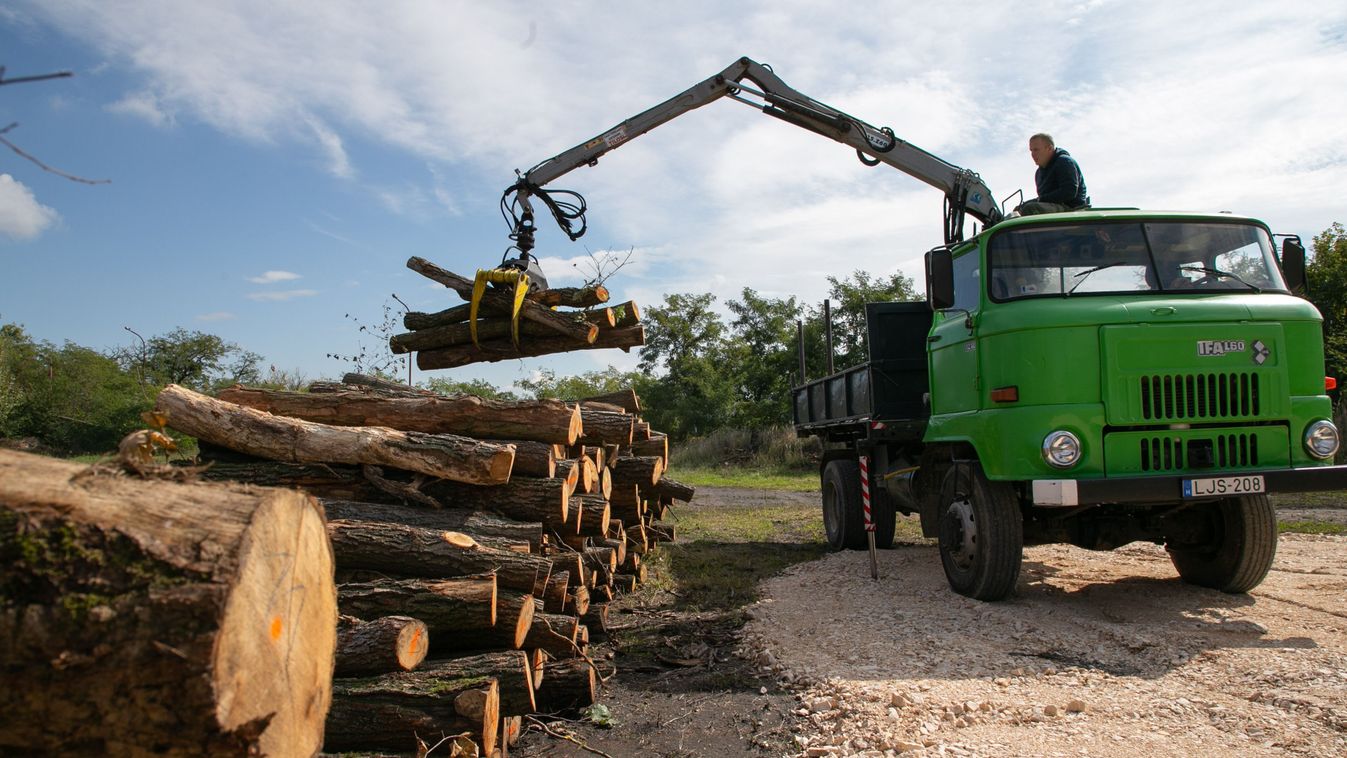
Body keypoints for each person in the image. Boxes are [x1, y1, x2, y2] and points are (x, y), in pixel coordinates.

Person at [1015, 133, 1089, 215]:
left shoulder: (1064, 162)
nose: (1032, 154)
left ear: (1049, 148)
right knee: (1018, 210)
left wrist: (1038, 200)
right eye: (1031, 150)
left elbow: (1069, 192)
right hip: (1054, 207)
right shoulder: (1039, 173)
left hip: (1072, 209)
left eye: (1036, 150)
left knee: (1030, 209)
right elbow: (1044, 199)